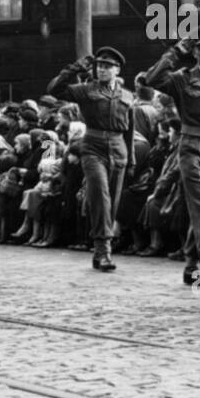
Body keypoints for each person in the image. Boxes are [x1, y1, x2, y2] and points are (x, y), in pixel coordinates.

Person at [142, 30, 200, 288]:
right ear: (194, 52)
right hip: (191, 144)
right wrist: (176, 50)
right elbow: (152, 78)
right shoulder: (183, 80)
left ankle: (191, 262)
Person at [48, 46, 136, 272]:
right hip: (93, 147)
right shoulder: (87, 90)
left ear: (117, 70)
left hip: (118, 148)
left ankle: (102, 246)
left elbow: (130, 129)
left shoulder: (127, 96)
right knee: (100, 196)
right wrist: (76, 67)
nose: (102, 70)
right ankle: (103, 249)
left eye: (108, 67)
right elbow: (55, 89)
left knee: (113, 200)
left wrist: (132, 158)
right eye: (99, 66)